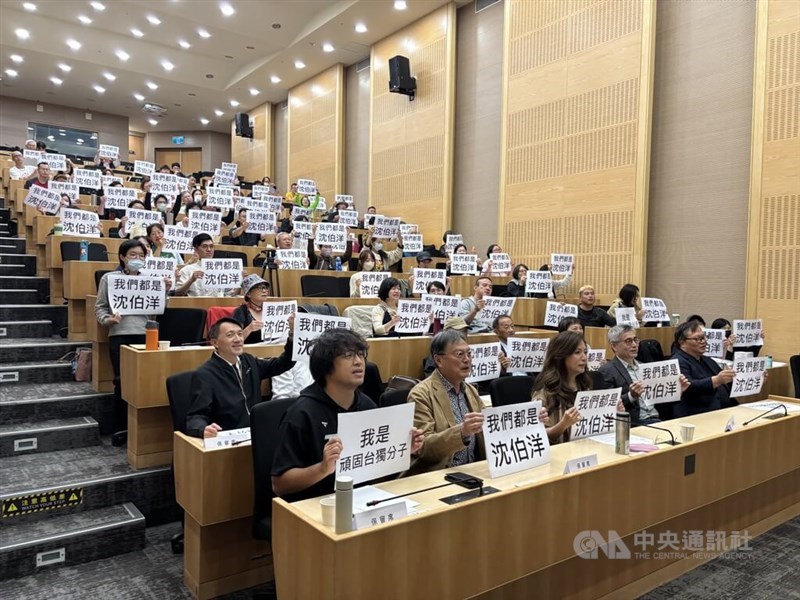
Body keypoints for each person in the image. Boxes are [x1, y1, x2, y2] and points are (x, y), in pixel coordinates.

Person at [272, 329, 423, 502]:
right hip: (314, 505)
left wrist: (401, 450)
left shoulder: (367, 405)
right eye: (348, 355)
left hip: (361, 500)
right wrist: (322, 469)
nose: (359, 362)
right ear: (326, 365)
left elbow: (376, 468)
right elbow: (279, 484)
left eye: (361, 354)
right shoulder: (301, 413)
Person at [95, 239, 170, 445]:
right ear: (122, 257)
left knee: (145, 382)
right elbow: (99, 308)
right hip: (119, 335)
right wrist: (108, 320)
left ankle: (141, 431)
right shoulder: (109, 279)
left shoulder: (150, 279)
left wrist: (165, 290)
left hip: (146, 335)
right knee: (121, 382)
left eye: (141, 256)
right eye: (132, 255)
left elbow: (158, 309)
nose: (137, 259)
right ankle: (120, 428)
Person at [185, 317, 295, 438]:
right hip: (227, 436)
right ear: (215, 342)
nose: (238, 339)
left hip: (256, 432)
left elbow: (281, 364)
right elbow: (196, 416)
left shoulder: (248, 361)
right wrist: (203, 429)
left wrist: (292, 336)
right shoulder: (205, 374)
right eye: (230, 335)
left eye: (240, 334)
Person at [406, 329, 485, 475]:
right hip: (440, 474)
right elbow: (423, 447)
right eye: (459, 354)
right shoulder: (421, 394)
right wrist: (462, 433)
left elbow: (487, 427)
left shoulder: (470, 390)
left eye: (469, 353)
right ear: (439, 360)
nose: (467, 359)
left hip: (473, 470)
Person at [599, 325, 688, 425]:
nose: (634, 345)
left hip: (659, 419)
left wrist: (676, 393)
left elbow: (661, 402)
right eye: (628, 341)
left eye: (635, 340)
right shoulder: (606, 371)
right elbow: (606, 405)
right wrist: (631, 396)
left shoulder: (646, 368)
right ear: (614, 346)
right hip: (635, 423)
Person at [531, 331, 591, 444]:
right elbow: (538, 436)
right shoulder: (545, 392)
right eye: (577, 352)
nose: (584, 358)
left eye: (585, 352)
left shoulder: (584, 385)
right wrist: (563, 424)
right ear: (561, 356)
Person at [672, 320, 737, 417]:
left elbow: (725, 381)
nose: (704, 342)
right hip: (696, 414)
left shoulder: (706, 359)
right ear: (682, 343)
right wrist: (716, 380)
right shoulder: (677, 362)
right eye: (698, 339)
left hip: (723, 410)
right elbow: (688, 386)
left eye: (704, 338)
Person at [230, 274, 273, 344]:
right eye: (260, 288)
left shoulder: (271, 309)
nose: (264, 291)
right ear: (248, 294)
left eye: (265, 288)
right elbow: (233, 340)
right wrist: (249, 329)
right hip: (248, 352)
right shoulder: (241, 311)